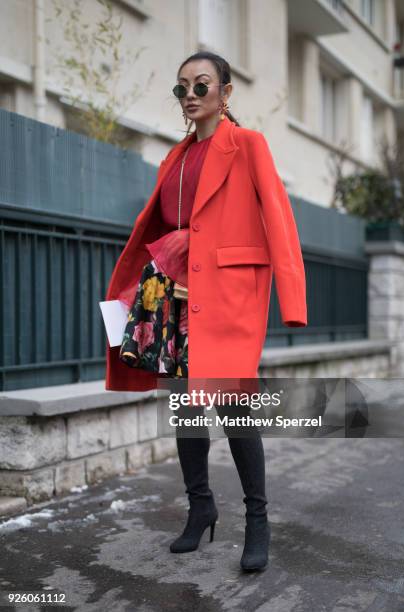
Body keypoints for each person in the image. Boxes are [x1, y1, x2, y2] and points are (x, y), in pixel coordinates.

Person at [106, 50, 308, 572]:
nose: (191, 96)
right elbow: (168, 227)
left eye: (201, 86)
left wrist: (293, 300)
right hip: (172, 296)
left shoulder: (247, 145)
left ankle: (257, 521)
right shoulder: (172, 158)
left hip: (227, 297)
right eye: (182, 89)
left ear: (225, 92)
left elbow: (279, 221)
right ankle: (201, 509)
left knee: (235, 408)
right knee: (186, 408)